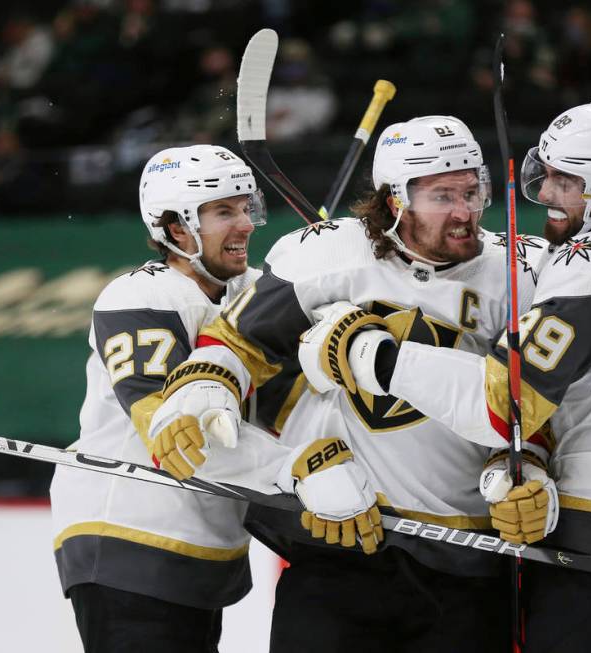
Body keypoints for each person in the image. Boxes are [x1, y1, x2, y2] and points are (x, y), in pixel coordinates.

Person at [314, 102, 591, 652]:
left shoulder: (587, 270)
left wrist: (370, 354)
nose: (543, 194)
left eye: (564, 181)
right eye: (545, 173)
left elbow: (501, 409)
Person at [145, 115, 546, 652]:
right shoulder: (327, 253)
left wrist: (527, 468)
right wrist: (204, 394)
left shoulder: (521, 270)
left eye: (473, 191)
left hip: (467, 561)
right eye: (443, 195)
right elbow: (237, 342)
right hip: (339, 546)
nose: (465, 212)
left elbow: (542, 401)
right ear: (396, 201)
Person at [49, 144, 268, 652]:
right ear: (176, 229)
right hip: (129, 533)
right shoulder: (140, 294)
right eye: (222, 212)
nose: (245, 224)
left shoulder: (248, 291)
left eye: (244, 207)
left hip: (200, 543)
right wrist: (299, 470)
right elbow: (171, 431)